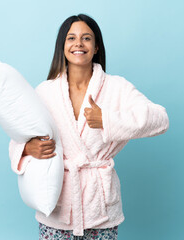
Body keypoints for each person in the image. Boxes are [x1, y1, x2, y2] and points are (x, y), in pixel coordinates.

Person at [9, 13, 169, 240]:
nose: (78, 44)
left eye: (86, 38)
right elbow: (18, 138)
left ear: (95, 47)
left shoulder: (116, 88)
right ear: (62, 46)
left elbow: (160, 119)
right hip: (56, 204)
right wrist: (27, 149)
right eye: (71, 38)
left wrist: (107, 120)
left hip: (100, 208)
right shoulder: (45, 92)